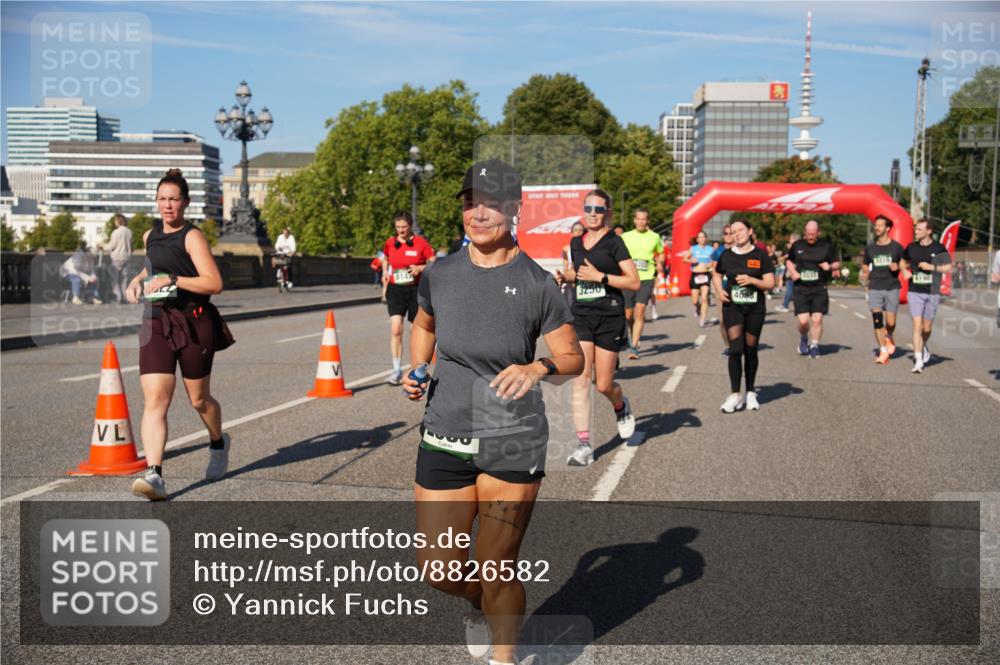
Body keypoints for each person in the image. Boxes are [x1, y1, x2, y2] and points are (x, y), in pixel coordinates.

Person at [403, 158, 583, 665]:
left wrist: (537, 367)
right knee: (439, 571)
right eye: (469, 203)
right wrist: (418, 368)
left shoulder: (537, 282)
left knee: (497, 564)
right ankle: (482, 605)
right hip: (445, 432)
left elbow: (573, 357)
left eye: (490, 204)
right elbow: (424, 324)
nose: (478, 214)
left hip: (512, 436)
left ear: (514, 209)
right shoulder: (440, 273)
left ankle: (505, 656)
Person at [126, 169, 230, 501]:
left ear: (185, 202)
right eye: (162, 199)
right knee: (156, 398)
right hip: (156, 319)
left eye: (173, 199)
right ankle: (154, 474)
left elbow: (214, 283)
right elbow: (152, 266)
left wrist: (173, 280)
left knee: (199, 399)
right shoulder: (150, 235)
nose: (167, 205)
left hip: (193, 322)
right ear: (156, 201)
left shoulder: (192, 237)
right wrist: (137, 280)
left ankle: (218, 443)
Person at [556, 189, 640, 466]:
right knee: (581, 378)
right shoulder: (575, 242)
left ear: (608, 213)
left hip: (609, 315)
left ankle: (620, 405)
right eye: (588, 208)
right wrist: (566, 277)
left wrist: (600, 276)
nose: (593, 214)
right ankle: (584, 445)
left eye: (599, 209)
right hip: (581, 314)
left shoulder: (614, 242)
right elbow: (579, 275)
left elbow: (633, 282)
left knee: (603, 384)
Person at [712, 219, 774, 412]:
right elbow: (716, 274)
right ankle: (734, 395)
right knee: (735, 349)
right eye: (733, 231)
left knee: (751, 349)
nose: (736, 234)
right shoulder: (726, 255)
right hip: (733, 307)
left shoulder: (761, 255)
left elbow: (770, 283)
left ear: (750, 231)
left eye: (740, 230)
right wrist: (719, 291)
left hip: (755, 308)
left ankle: (751, 392)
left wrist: (752, 280)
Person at [382, 211, 436, 385]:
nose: (401, 230)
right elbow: (385, 258)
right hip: (395, 289)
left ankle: (416, 369)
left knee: (416, 331)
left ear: (410, 226)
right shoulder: (390, 242)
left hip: (415, 290)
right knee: (396, 329)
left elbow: (434, 261)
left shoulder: (421, 243)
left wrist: (420, 268)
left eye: (404, 227)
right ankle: (396, 370)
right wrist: (384, 273)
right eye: (398, 227)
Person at [901, 219, 953, 373]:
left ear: (928, 231)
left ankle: (923, 346)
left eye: (919, 229)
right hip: (914, 291)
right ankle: (918, 361)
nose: (916, 231)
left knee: (927, 327)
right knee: (917, 325)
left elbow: (949, 267)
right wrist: (904, 270)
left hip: (932, 292)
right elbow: (903, 261)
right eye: (915, 229)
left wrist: (932, 267)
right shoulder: (911, 247)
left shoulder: (938, 248)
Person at [786, 221, 839, 358]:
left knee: (817, 319)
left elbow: (836, 263)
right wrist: (793, 272)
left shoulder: (826, 246)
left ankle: (815, 345)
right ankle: (804, 338)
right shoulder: (797, 245)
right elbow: (789, 261)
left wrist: (830, 266)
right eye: (808, 234)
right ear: (805, 233)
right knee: (803, 321)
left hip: (819, 287)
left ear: (818, 233)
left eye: (813, 234)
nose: (810, 237)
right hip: (801, 288)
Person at [620, 207, 664, 359]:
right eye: (638, 219)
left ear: (647, 221)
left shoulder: (655, 237)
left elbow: (661, 253)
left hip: (646, 277)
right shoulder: (626, 236)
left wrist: (660, 262)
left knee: (640, 311)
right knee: (628, 314)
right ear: (634, 220)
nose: (641, 222)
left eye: (643, 219)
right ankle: (633, 334)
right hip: (628, 278)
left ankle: (634, 347)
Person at [861, 215, 905, 364]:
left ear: (888, 228)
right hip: (875, 286)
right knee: (877, 319)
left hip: (892, 286)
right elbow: (865, 264)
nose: (877, 228)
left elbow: (905, 264)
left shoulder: (897, 247)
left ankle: (889, 335)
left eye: (880, 225)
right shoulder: (870, 248)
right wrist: (865, 272)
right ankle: (883, 351)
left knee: (890, 322)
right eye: (876, 225)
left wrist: (898, 266)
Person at [683, 231, 715, 327]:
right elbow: (684, 259)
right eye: (700, 237)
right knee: (695, 301)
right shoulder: (693, 249)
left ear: (706, 238)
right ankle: (698, 307)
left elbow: (715, 261)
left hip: (706, 274)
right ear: (697, 239)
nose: (702, 239)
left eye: (703, 237)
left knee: (704, 298)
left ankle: (702, 319)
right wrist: (691, 260)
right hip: (695, 275)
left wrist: (711, 264)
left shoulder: (711, 249)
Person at [710, 225, 734, 354]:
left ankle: (739, 343)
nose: (728, 235)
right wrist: (718, 290)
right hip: (722, 289)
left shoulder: (740, 249)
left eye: (731, 233)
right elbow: (714, 272)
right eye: (726, 233)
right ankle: (728, 346)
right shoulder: (718, 251)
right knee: (723, 320)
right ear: (723, 235)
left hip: (739, 289)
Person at [104, 213, 133, 303]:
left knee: (115, 280)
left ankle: (118, 297)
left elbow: (112, 245)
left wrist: (103, 246)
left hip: (117, 258)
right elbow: (131, 245)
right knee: (124, 280)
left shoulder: (116, 232)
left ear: (118, 222)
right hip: (126, 257)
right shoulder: (129, 232)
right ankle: (125, 297)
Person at [561, 221, 585, 307]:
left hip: (585, 280)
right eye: (575, 230)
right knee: (571, 306)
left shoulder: (589, 247)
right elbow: (566, 263)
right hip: (572, 281)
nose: (578, 232)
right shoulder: (566, 249)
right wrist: (565, 275)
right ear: (571, 233)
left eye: (580, 230)